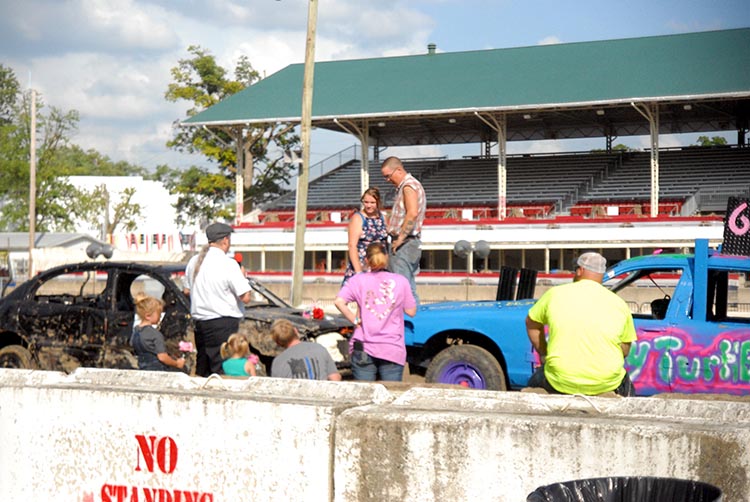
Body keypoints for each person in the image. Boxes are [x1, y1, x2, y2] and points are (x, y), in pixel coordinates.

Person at [525, 252, 637, 396]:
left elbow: (531, 323)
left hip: (560, 379)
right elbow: (625, 350)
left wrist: (544, 353)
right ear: (601, 274)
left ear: (580, 270)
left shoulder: (555, 294)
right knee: (626, 385)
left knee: (535, 381)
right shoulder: (619, 303)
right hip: (606, 381)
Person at [334, 241, 417, 382]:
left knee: (365, 396)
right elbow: (411, 311)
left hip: (364, 345)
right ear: (387, 258)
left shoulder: (357, 280)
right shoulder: (401, 281)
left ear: (366, 260)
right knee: (391, 395)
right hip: (392, 347)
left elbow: (339, 301)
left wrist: (355, 320)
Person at [185, 222, 252, 377]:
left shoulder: (193, 261)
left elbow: (187, 290)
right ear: (225, 240)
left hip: (201, 323)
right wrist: (243, 277)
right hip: (223, 322)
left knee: (203, 368)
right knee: (223, 369)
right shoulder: (228, 264)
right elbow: (246, 297)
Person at [380, 156, 426, 304]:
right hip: (410, 242)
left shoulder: (408, 186)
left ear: (398, 170)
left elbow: (412, 213)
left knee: (402, 288)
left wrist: (399, 239)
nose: (387, 180)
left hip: (405, 243)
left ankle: (411, 322)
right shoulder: (412, 185)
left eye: (388, 176)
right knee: (407, 286)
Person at [342, 187, 388, 284]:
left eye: (372, 203)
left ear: (378, 202)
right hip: (363, 264)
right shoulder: (357, 218)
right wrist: (358, 271)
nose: (368, 206)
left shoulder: (383, 217)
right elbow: (352, 245)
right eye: (366, 202)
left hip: (379, 265)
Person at [270, 319, 341, 381]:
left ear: (278, 342)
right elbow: (335, 378)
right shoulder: (319, 348)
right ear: (296, 331)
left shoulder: (278, 362)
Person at [131, 294, 186, 372]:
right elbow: (162, 357)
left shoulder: (136, 332)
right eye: (159, 314)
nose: (160, 317)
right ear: (148, 316)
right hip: (157, 370)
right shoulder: (155, 334)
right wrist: (177, 363)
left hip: (142, 369)